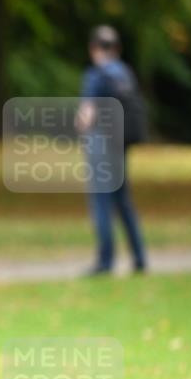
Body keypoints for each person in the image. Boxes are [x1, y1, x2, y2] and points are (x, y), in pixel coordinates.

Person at [76, 24, 147, 276]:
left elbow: (87, 115)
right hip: (121, 145)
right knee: (123, 201)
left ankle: (105, 262)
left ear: (93, 47)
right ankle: (140, 258)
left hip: (101, 147)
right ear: (116, 47)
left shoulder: (96, 75)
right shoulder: (125, 72)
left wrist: (81, 129)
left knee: (101, 202)